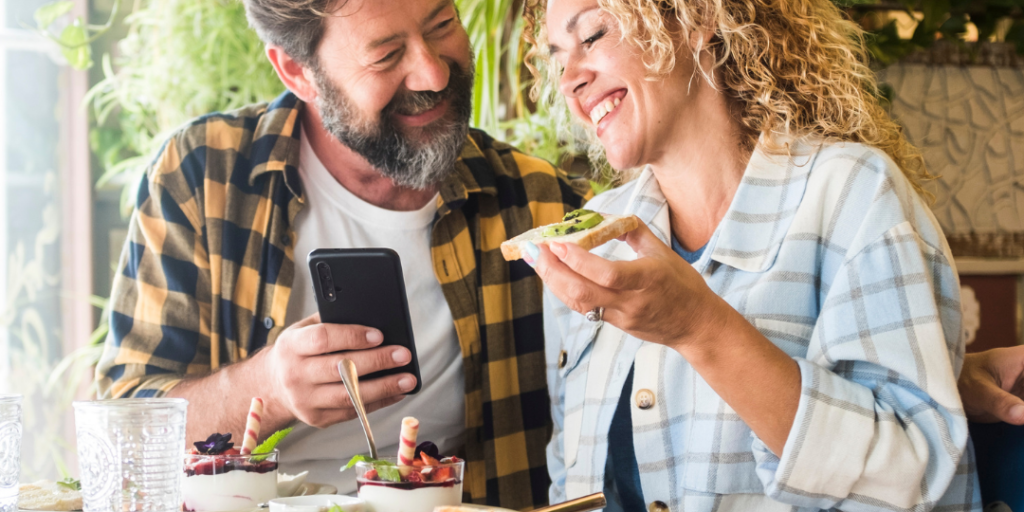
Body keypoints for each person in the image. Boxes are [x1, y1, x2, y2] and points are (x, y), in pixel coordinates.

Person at [93, 0, 590, 507]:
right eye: (386, 55)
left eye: (443, 24)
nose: (433, 73)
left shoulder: (540, 206)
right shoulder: (203, 176)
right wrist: (270, 387)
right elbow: (121, 437)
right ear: (297, 71)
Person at [522, 0, 980, 510]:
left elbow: (914, 484)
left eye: (594, 35)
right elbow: (569, 476)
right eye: (558, 56)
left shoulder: (853, 197)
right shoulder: (592, 235)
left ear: (696, 19)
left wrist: (700, 327)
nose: (568, 80)